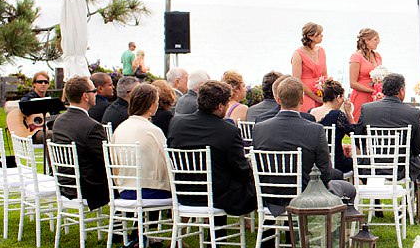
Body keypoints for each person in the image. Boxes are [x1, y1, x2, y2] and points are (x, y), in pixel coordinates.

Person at [252, 76, 356, 204]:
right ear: (302, 99)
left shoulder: (259, 129)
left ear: (278, 100)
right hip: (306, 197)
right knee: (349, 189)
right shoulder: (315, 130)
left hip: (271, 197)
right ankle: (331, 223)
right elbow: (325, 172)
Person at [167, 80, 256, 215]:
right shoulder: (228, 130)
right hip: (219, 196)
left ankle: (217, 233)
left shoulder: (177, 124)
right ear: (220, 106)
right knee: (247, 184)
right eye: (227, 104)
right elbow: (241, 169)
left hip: (185, 193)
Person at [354, 72, 420, 181]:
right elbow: (419, 146)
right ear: (401, 91)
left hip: (371, 167)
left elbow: (359, 140)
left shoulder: (367, 109)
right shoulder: (413, 113)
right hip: (401, 168)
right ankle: (410, 198)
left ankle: (375, 197)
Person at [51, 76, 110, 210]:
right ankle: (125, 224)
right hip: (89, 187)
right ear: (85, 96)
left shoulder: (59, 121)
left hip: (65, 183)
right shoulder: (92, 126)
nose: (96, 94)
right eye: (94, 91)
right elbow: (106, 160)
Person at [111, 83, 171, 200]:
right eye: (156, 101)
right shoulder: (153, 130)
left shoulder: (120, 128)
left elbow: (115, 162)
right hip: (151, 190)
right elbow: (167, 160)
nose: (158, 105)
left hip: (125, 189)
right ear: (150, 105)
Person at [313, 77, 354, 173]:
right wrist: (349, 114)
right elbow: (354, 134)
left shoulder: (310, 113)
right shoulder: (337, 115)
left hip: (315, 163)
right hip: (335, 163)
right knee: (357, 162)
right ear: (338, 97)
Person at [348, 27, 383, 123]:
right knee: (360, 122)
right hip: (361, 96)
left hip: (376, 96)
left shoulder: (377, 56)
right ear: (366, 41)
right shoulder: (356, 57)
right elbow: (352, 83)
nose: (378, 42)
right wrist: (371, 90)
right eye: (375, 39)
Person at [291, 22, 327, 113]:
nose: (322, 36)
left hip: (321, 93)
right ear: (311, 36)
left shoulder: (321, 51)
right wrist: (315, 97)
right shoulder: (298, 54)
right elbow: (297, 80)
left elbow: (325, 75)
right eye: (319, 34)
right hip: (305, 94)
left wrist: (325, 93)